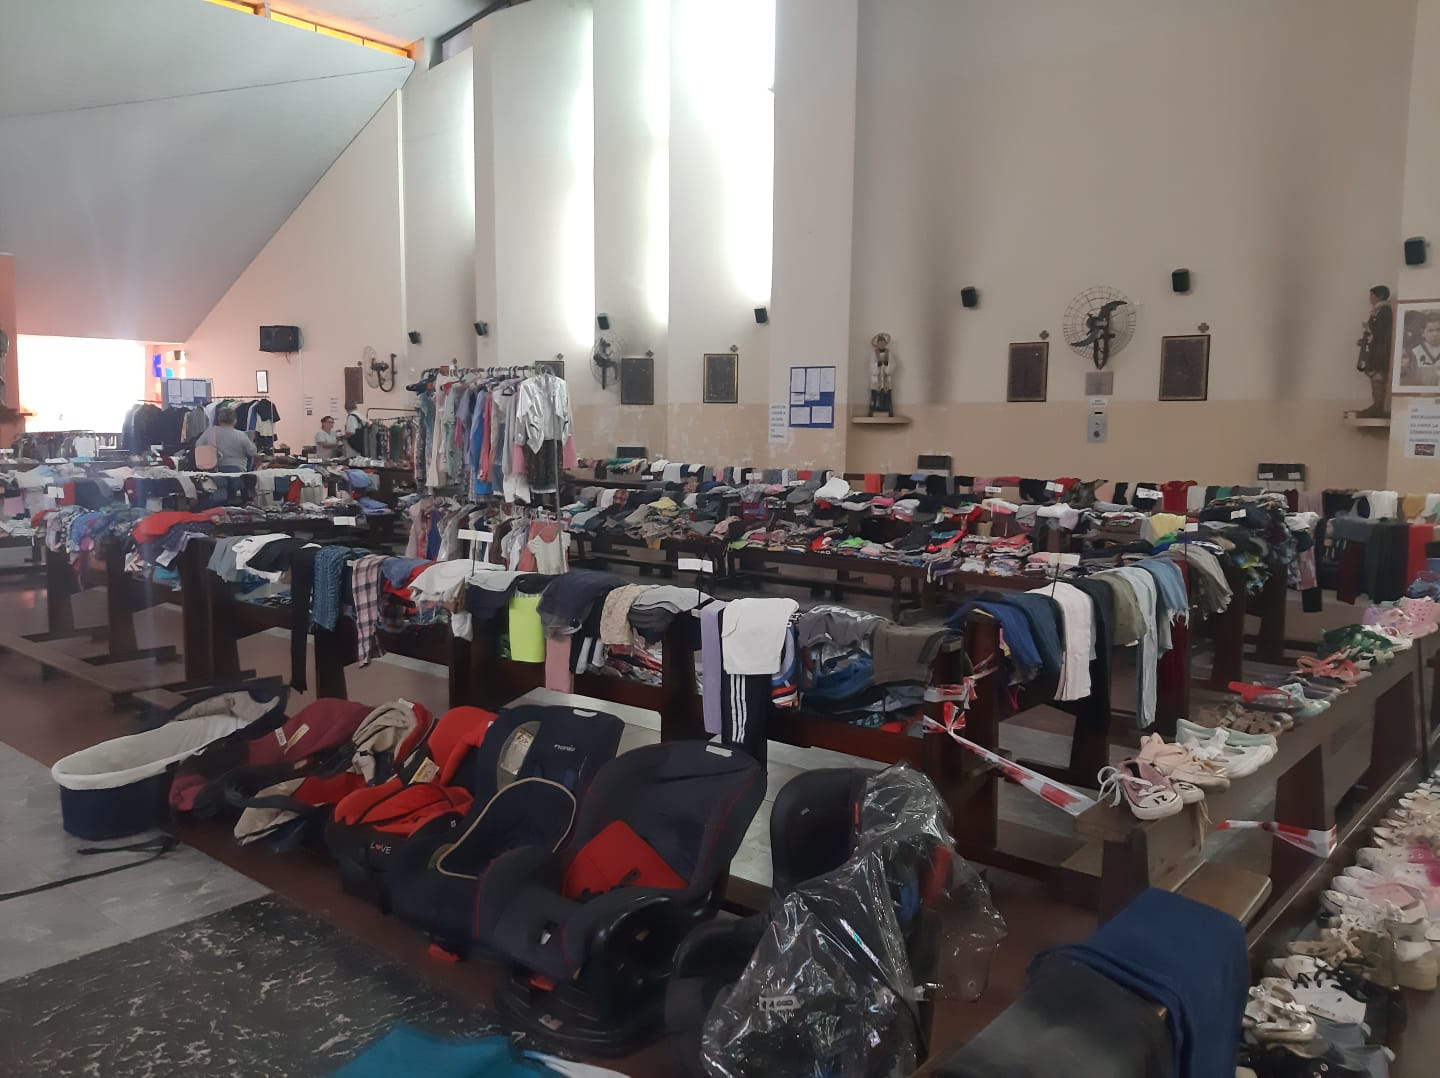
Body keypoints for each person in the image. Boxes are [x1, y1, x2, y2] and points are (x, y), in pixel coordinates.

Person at [1356, 285, 1394, 416]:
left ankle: (1378, 407)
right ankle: (1376, 406)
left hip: (1380, 352)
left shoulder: (1384, 311)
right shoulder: (1378, 311)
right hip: (1375, 351)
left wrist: (1369, 328)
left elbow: (1381, 332)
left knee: (1378, 377)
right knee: (1375, 378)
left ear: (1380, 296)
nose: (1370, 298)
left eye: (1372, 295)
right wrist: (1364, 340)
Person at [198, 406, 256, 472]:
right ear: (235, 420)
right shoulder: (241, 435)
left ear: (219, 420)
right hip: (237, 469)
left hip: (215, 468)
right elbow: (252, 452)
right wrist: (251, 440)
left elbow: (198, 445)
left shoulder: (210, 432)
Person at [1401, 312, 1440, 390]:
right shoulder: (1415, 352)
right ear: (1423, 333)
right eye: (1430, 330)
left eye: (1438, 330)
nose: (1435, 334)